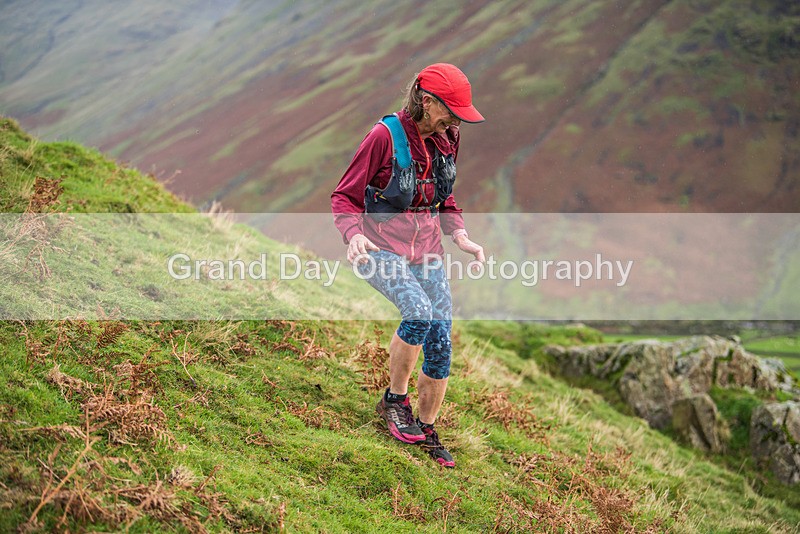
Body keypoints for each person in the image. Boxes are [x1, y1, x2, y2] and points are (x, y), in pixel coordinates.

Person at [331, 63, 485, 468]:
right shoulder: (384, 137)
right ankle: (394, 403)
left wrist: (461, 235)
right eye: (450, 109)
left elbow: (444, 197)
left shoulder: (449, 137)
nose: (455, 119)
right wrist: (353, 235)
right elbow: (343, 197)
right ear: (426, 99)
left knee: (441, 341)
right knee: (417, 313)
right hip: (379, 248)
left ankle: (427, 428)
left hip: (428, 250)